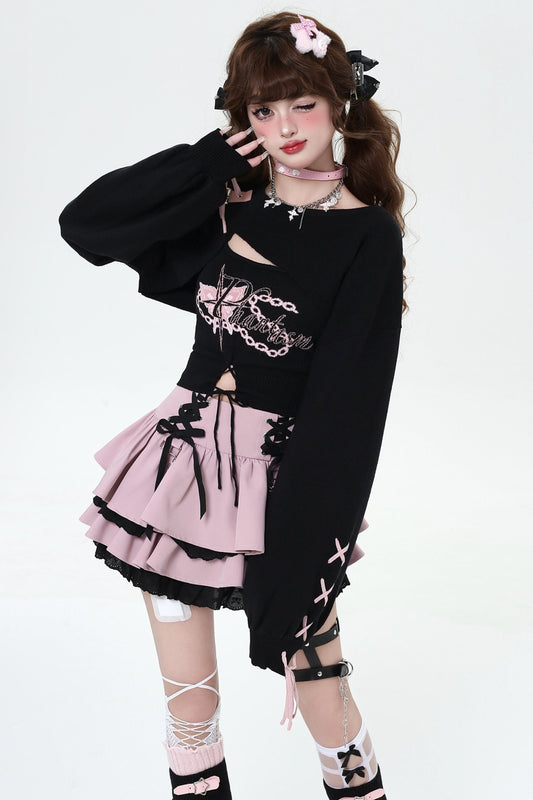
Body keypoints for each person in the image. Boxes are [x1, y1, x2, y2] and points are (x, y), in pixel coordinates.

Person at [58, 11, 408, 800]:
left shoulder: (366, 237)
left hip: (285, 479)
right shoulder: (226, 205)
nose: (284, 127)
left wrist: (309, 537)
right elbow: (88, 224)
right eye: (262, 109)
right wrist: (207, 163)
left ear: (339, 102)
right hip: (176, 467)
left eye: (302, 104)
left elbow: (349, 405)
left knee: (321, 693)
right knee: (190, 711)